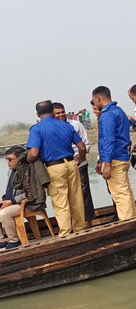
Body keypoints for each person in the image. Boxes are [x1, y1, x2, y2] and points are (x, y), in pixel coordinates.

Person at [26, 100, 86, 236]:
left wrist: (27, 158)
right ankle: (80, 229)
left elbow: (34, 153)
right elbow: (82, 147)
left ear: (37, 114)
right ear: (52, 112)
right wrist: (81, 158)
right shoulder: (66, 126)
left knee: (60, 201)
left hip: (54, 167)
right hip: (71, 164)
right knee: (76, 198)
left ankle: (65, 232)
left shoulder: (37, 129)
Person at [91, 86, 136, 220]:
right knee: (126, 192)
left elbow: (108, 140)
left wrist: (107, 164)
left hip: (115, 158)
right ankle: (133, 219)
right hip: (123, 156)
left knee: (120, 195)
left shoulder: (107, 115)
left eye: (94, 101)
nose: (94, 104)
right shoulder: (119, 111)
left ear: (98, 99)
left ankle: (128, 225)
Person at [52, 102, 95, 226]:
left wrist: (80, 158)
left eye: (62, 112)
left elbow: (85, 145)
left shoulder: (75, 125)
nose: (61, 115)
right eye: (57, 113)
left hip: (79, 164)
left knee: (84, 195)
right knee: (66, 197)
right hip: (63, 166)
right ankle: (72, 224)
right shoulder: (53, 128)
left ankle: (88, 223)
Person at [1, 147, 44, 250]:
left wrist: (12, 201)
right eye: (7, 159)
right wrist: (5, 199)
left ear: (19, 159)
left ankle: (14, 241)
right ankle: (2, 241)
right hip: (12, 202)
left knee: (4, 214)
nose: (8, 162)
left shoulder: (28, 171)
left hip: (28, 204)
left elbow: (32, 193)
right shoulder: (11, 172)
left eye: (10, 159)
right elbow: (10, 190)